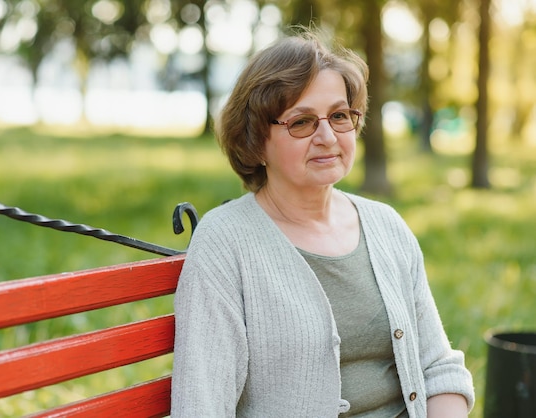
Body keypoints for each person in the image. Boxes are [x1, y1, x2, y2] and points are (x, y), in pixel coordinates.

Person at [170, 29, 475, 417]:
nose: (328, 136)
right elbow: (202, 405)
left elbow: (438, 367)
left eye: (339, 115)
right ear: (256, 140)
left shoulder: (386, 225)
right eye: (301, 122)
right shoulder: (226, 242)